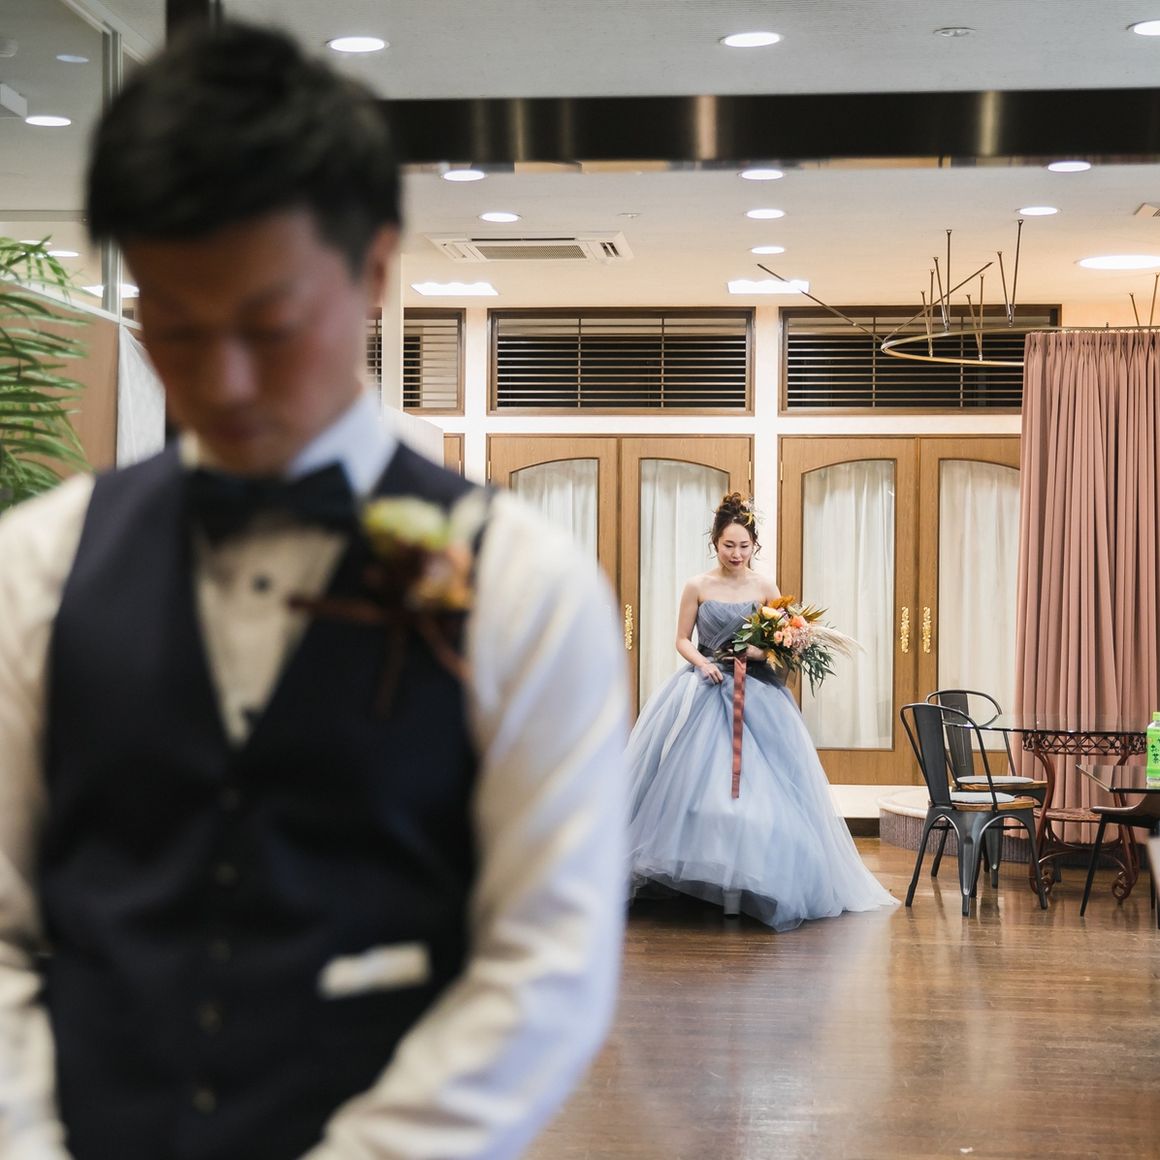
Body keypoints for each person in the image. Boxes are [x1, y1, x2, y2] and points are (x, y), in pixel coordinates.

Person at [0, 22, 627, 1160]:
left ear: (374, 269)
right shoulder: (35, 565)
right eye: (171, 327)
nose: (222, 380)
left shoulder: (523, 586)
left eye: (269, 325)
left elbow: (546, 962)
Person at [626, 493, 896, 930]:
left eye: (744, 546)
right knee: (699, 789)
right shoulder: (697, 586)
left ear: (755, 545)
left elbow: (789, 641)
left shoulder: (767, 588)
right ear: (714, 542)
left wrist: (761, 650)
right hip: (709, 688)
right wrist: (701, 664)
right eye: (728, 545)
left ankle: (752, 881)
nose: (736, 554)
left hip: (758, 694)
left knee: (763, 793)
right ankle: (706, 880)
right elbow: (681, 639)